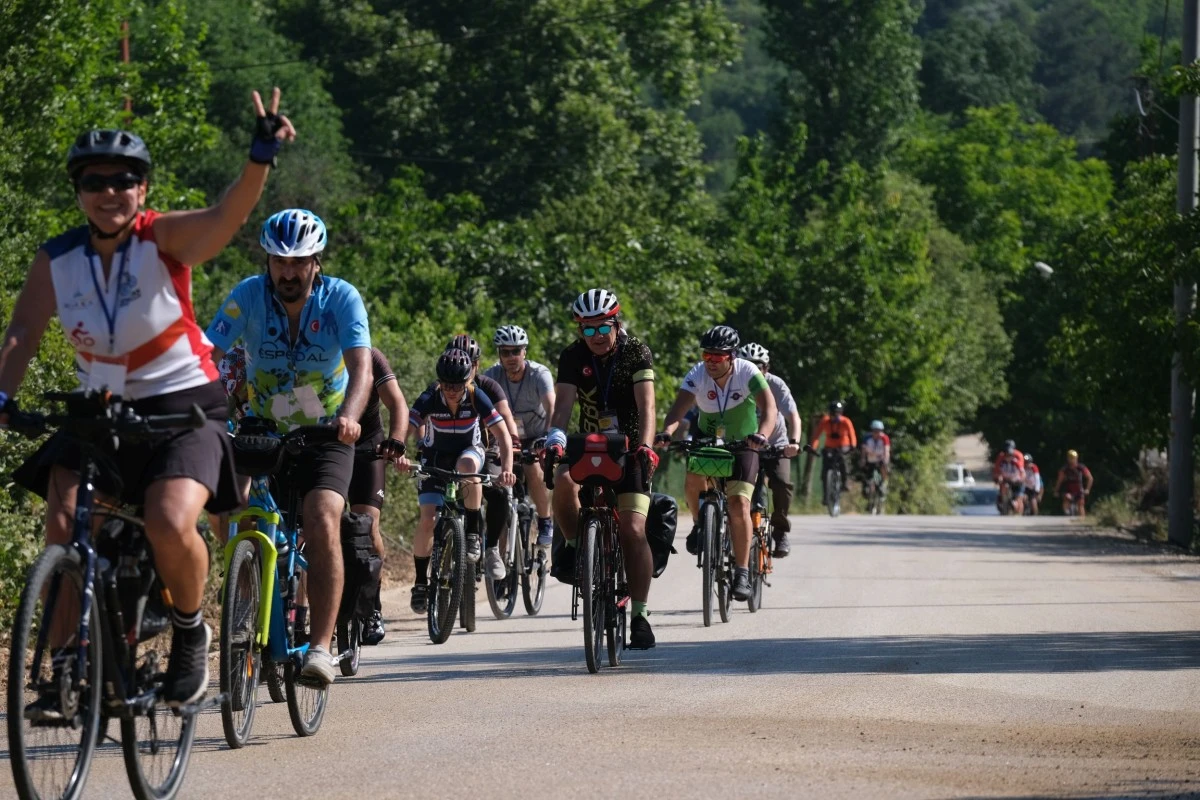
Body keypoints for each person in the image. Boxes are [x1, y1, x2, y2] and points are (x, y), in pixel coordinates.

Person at [0, 89, 295, 710]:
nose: (110, 191)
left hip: (181, 405)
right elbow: (23, 331)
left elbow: (225, 216)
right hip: (100, 410)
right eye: (95, 181)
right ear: (78, 190)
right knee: (63, 523)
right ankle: (65, 667)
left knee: (166, 520)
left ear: (142, 187)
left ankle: (190, 632)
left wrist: (259, 157)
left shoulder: (162, 239)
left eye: (124, 180)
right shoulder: (58, 258)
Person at [206, 207, 372, 686]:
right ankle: (249, 597)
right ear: (268, 261)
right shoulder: (246, 297)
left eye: (299, 262)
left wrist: (351, 419)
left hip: (326, 431)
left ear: (316, 261)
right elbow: (208, 353)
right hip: (263, 425)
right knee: (226, 508)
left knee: (322, 516)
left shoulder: (341, 298)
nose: (288, 272)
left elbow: (360, 367)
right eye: (279, 261)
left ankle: (320, 648)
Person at [544, 289, 659, 649]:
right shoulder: (572, 356)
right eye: (586, 330)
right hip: (589, 443)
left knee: (634, 529)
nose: (594, 337)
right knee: (562, 478)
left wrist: (647, 447)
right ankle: (579, 548)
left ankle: (639, 615)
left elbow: (647, 408)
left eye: (601, 329)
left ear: (616, 324)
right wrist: (555, 439)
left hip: (630, 446)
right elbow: (562, 406)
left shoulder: (636, 352)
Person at [658, 326, 776, 601]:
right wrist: (667, 431)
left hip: (745, 443)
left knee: (739, 504)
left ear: (732, 357)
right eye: (706, 355)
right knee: (692, 479)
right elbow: (678, 410)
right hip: (708, 438)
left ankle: (743, 571)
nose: (710, 361)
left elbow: (770, 409)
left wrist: (762, 435)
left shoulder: (748, 372)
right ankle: (701, 524)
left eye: (717, 357)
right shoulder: (698, 373)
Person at [402, 349, 516, 613]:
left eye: (458, 385)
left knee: (468, 468)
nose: (452, 391)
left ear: (468, 380)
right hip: (435, 455)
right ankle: (420, 582)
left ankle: (474, 532)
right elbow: (407, 427)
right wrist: (400, 453)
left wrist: (507, 469)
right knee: (428, 518)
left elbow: (502, 435)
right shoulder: (431, 396)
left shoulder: (477, 396)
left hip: (469, 450)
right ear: (439, 382)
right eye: (447, 385)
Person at [443, 334, 521, 579]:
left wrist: (514, 440)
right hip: (449, 450)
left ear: (476, 365)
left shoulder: (487, 387)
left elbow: (505, 416)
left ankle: (491, 549)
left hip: (485, 451)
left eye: (470, 362)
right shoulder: (442, 387)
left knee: (498, 493)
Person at [348, 347, 409, 645]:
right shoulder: (312, 350)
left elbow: (397, 402)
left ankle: (372, 606)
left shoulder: (371, 356)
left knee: (368, 526)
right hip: (320, 444)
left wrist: (396, 439)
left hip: (366, 447)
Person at [483, 325, 556, 555]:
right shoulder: (490, 376)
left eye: (516, 351)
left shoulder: (539, 374)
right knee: (496, 488)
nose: (511, 357)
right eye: (505, 352)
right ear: (499, 355)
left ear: (524, 351)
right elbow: (480, 414)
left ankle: (545, 521)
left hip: (535, 436)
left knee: (533, 467)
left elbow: (552, 408)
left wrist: (548, 438)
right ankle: (500, 554)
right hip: (504, 439)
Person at [738, 342, 801, 557]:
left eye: (758, 366)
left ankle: (780, 531)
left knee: (782, 484)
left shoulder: (776, 385)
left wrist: (794, 442)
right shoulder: (734, 383)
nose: (753, 371)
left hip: (776, 445)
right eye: (747, 366)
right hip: (744, 446)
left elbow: (793, 416)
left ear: (767, 368)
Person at [809, 401, 856, 498]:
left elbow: (852, 434)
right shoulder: (824, 421)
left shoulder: (846, 421)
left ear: (840, 413)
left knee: (843, 461)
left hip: (843, 446)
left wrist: (853, 446)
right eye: (832, 414)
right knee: (825, 469)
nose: (834, 416)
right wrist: (813, 448)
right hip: (829, 447)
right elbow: (816, 436)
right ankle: (826, 495)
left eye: (837, 413)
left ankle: (845, 482)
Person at [991, 439, 1026, 515]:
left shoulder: (1018, 456)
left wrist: (1021, 479)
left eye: (1009, 454)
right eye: (1006, 453)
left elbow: (1022, 471)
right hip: (1006, 479)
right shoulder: (1001, 456)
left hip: (1017, 480)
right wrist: (997, 477)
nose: (1007, 455)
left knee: (1018, 499)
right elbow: (997, 469)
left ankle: (1018, 508)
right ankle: (1003, 501)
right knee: (1003, 486)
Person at [1055, 449, 1094, 516]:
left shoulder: (1081, 468)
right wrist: (1056, 490)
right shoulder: (1064, 469)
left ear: (1076, 458)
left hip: (1079, 489)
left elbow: (1090, 478)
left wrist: (1087, 489)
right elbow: (1059, 480)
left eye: (1073, 458)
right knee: (1066, 498)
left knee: (1081, 504)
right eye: (1070, 458)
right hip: (1068, 489)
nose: (1072, 460)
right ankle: (1066, 514)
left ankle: (1082, 520)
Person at [861, 420, 891, 497]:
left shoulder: (884, 438)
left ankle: (883, 484)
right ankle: (866, 488)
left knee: (884, 468)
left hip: (880, 459)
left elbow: (887, 450)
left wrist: (886, 460)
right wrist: (863, 459)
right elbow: (863, 450)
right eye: (875, 431)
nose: (877, 433)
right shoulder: (867, 438)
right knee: (866, 474)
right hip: (870, 459)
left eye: (879, 431)